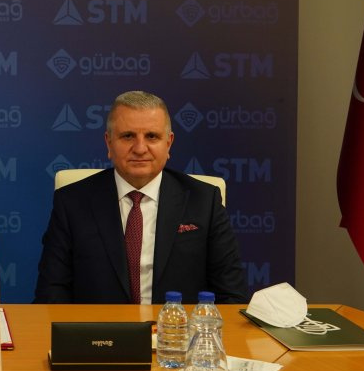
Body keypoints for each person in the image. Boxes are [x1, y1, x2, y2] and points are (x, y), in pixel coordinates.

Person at [34, 90, 247, 304]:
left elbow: (232, 295)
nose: (140, 148)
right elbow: (51, 294)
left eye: (152, 136)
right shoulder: (71, 202)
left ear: (168, 143)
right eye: (128, 136)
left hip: (177, 325)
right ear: (109, 143)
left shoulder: (204, 201)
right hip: (98, 326)